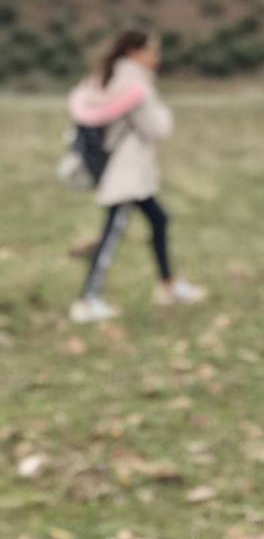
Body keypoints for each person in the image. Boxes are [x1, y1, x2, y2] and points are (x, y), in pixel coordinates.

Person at [68, 30, 206, 324]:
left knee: (159, 219)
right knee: (112, 235)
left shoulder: (104, 78)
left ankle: (168, 285)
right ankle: (88, 300)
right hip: (126, 172)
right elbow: (157, 128)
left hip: (127, 171)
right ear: (134, 51)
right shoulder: (135, 85)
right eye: (152, 51)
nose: (156, 58)